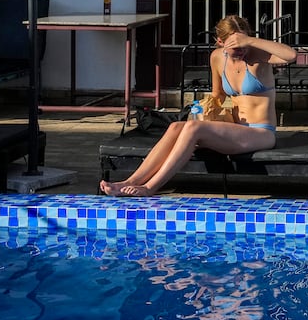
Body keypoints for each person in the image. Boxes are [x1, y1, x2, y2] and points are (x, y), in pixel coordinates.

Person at [101, 14, 296, 197]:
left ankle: (150, 187)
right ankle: (129, 181)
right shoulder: (218, 57)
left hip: (261, 132)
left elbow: (291, 55)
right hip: (235, 129)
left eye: (243, 44)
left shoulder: (259, 56)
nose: (241, 50)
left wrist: (250, 41)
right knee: (176, 126)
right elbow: (218, 95)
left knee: (194, 128)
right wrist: (205, 109)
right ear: (220, 42)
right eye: (236, 47)